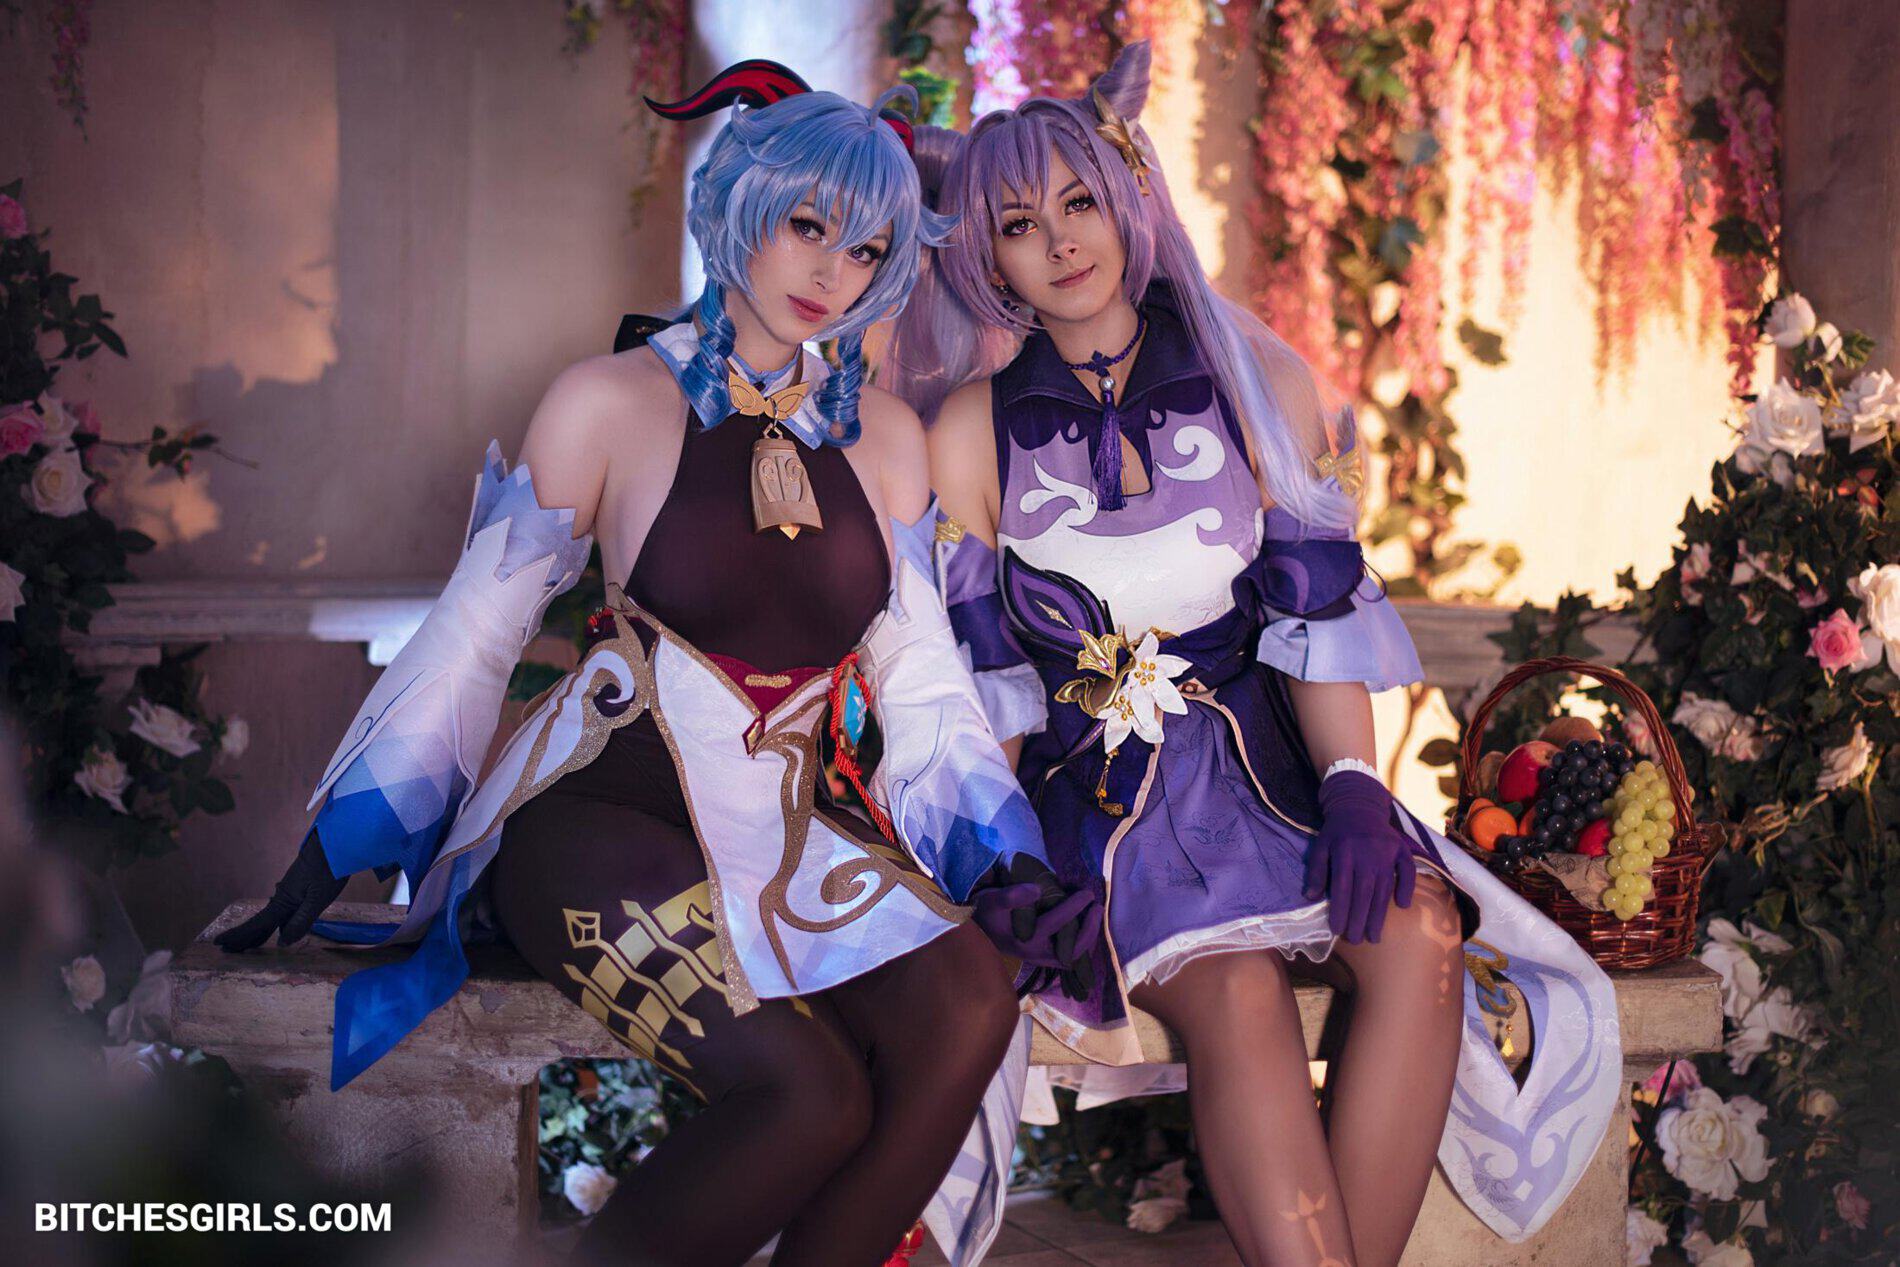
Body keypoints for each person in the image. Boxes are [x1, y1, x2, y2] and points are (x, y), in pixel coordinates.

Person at [219, 62, 1080, 1267]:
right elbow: (478, 632)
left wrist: (1003, 858)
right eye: (808, 225)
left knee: (971, 999)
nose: (833, 272)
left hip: (790, 834)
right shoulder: (607, 401)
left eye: (868, 248)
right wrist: (350, 829)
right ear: (742, 205)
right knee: (811, 1096)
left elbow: (924, 684)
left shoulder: (887, 438)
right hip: (595, 822)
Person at [887, 42, 1624, 1267]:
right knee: (1234, 991)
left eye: (1077, 202)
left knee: (1421, 932)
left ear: (1129, 199)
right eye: (1018, 224)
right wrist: (997, 863)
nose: (1059, 241)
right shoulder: (967, 430)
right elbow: (986, 687)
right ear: (986, 254)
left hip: (1275, 781)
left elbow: (1316, 612)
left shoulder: (1256, 379)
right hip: (1099, 815)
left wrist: (1355, 788)